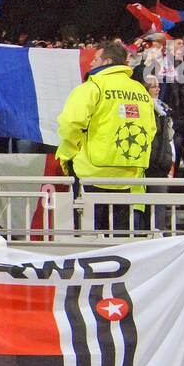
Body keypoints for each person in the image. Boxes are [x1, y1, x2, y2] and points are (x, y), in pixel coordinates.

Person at [56, 39, 157, 231]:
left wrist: (68, 155)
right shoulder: (141, 91)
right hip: (130, 177)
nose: (91, 63)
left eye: (95, 59)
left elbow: (69, 124)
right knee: (122, 246)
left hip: (91, 175)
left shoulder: (92, 88)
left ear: (107, 61)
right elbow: (151, 129)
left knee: (88, 244)